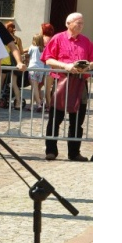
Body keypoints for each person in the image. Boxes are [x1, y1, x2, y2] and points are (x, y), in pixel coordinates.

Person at [42, 12, 93, 162]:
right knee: (55, 118)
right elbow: (47, 59)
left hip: (80, 82)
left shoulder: (86, 41)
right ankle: (51, 150)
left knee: (77, 120)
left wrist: (87, 66)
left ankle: (74, 152)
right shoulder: (58, 38)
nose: (81, 25)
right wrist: (66, 65)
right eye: (78, 22)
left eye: (82, 23)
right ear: (68, 24)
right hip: (62, 81)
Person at [26, 32, 48, 113]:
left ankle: (39, 104)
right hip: (41, 69)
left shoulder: (32, 47)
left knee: (34, 87)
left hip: (33, 68)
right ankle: (31, 105)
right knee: (34, 87)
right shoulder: (43, 49)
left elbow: (28, 55)